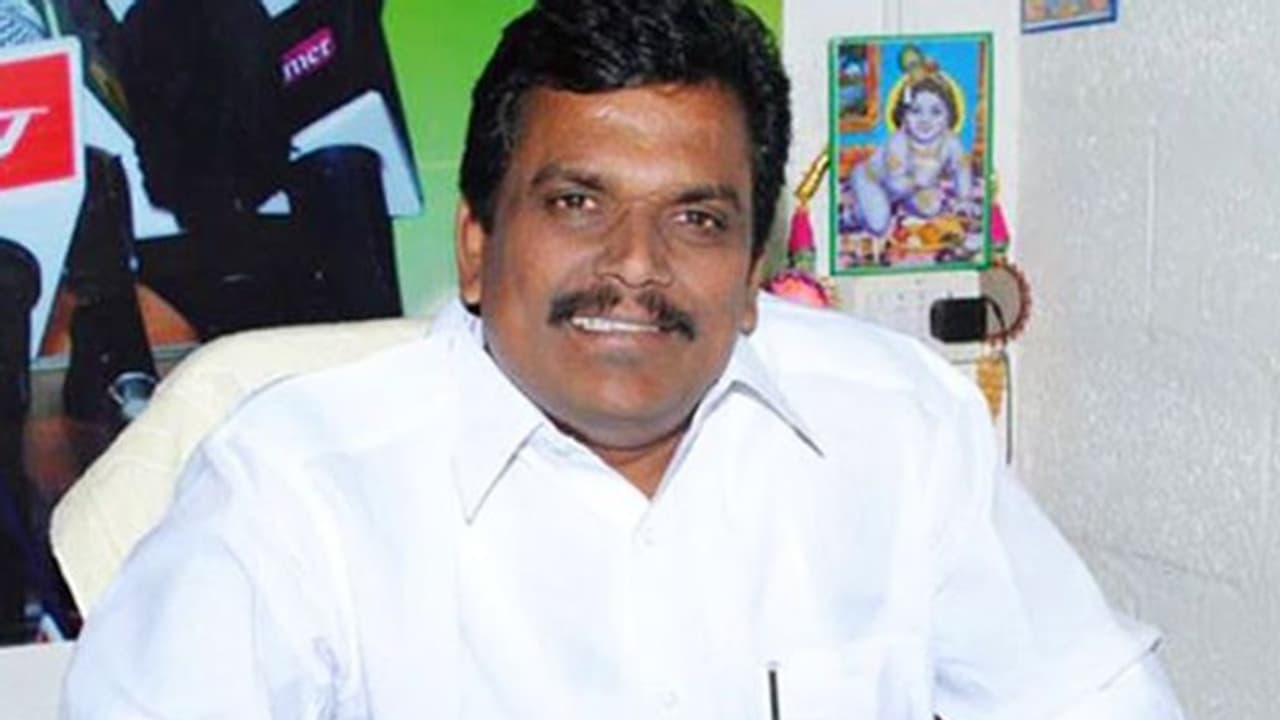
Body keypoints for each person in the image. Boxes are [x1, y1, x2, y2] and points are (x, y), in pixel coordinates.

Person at [63, 0, 1184, 717]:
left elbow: (1091, 697)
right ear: (476, 242)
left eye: (697, 219)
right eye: (576, 203)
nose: (635, 266)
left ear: (752, 269)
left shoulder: (898, 426)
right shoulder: (295, 487)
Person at [849, 57, 975, 260]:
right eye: (915, 111)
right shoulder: (898, 141)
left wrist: (964, 198)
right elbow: (895, 184)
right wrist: (919, 180)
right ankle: (854, 213)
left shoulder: (950, 141)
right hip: (874, 179)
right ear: (903, 114)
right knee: (878, 224)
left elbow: (962, 169)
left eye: (936, 112)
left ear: (949, 115)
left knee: (932, 207)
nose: (925, 120)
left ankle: (896, 206)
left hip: (911, 187)